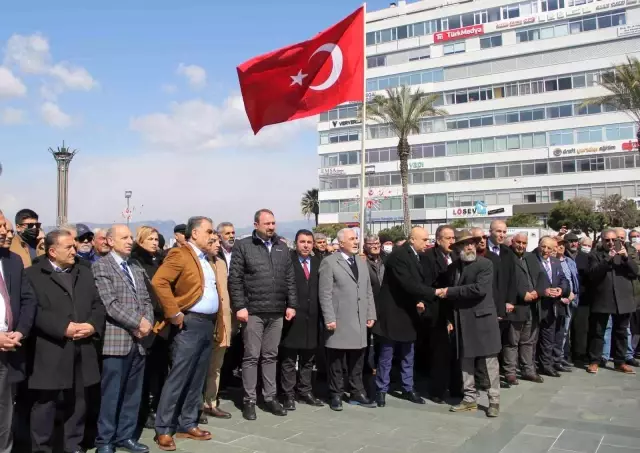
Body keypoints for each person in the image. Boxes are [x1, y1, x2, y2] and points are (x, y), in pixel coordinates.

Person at [26, 229, 105, 453]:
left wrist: (91, 325)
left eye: (74, 246)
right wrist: (63, 328)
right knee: (45, 406)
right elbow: (33, 311)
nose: (74, 250)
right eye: (68, 247)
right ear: (52, 251)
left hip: (82, 348)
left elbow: (98, 305)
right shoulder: (32, 275)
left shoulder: (85, 272)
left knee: (79, 403)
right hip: (50, 350)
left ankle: (74, 446)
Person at [152, 217, 220, 450]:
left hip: (206, 324)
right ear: (194, 234)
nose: (212, 235)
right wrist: (174, 314)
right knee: (178, 377)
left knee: (196, 378)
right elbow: (159, 281)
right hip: (188, 324)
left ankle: (187, 423)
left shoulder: (206, 259)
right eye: (209, 231)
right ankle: (163, 429)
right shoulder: (179, 254)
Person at [228, 209, 297, 421]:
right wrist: (240, 306)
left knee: (270, 356)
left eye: (273, 223)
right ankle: (249, 400)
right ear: (256, 224)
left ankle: (270, 397)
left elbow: (289, 279)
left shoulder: (281, 247)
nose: (271, 227)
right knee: (251, 356)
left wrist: (291, 304)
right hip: (253, 311)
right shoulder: (244, 245)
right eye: (267, 223)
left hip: (276, 312)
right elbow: (235, 279)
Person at [93, 225, 154, 453]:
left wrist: (146, 323)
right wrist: (138, 323)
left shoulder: (135, 267)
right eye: (124, 237)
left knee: (132, 393)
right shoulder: (101, 267)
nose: (130, 241)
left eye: (131, 237)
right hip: (116, 342)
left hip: (139, 342)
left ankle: (125, 436)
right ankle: (105, 441)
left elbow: (146, 300)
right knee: (111, 395)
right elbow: (110, 305)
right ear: (109, 241)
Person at [438, 229, 501, 418]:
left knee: (489, 363)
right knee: (466, 362)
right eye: (465, 244)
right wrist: (449, 317)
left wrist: (449, 291)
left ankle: (494, 400)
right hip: (462, 321)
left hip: (483, 320)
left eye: (472, 243)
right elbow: (451, 299)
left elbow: (479, 289)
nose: (470, 246)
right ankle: (469, 399)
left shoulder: (485, 264)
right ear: (457, 248)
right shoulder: (453, 268)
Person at [319, 228, 376, 411]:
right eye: (351, 238)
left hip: (359, 319)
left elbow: (367, 290)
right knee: (336, 359)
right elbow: (325, 293)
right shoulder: (330, 262)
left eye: (356, 238)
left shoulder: (360, 262)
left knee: (358, 358)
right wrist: (329, 317)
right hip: (339, 319)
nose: (355, 241)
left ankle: (356, 392)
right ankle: (336, 393)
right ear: (341, 243)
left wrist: (371, 313)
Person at [374, 227, 431, 407]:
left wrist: (421, 299)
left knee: (408, 353)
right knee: (387, 354)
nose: (427, 243)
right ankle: (381, 390)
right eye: (424, 239)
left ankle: (408, 387)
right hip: (393, 312)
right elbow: (408, 283)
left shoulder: (416, 255)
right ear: (412, 239)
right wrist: (433, 293)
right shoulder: (399, 256)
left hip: (408, 312)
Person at [0, 210, 37, 453]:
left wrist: (20, 332)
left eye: (5, 226)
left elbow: (28, 300)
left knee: (4, 413)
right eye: (0, 226)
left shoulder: (13, 260)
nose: (5, 232)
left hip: (9, 349)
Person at [280, 230, 323, 410]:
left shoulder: (318, 262)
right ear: (295, 243)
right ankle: (288, 394)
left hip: (312, 317)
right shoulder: (287, 261)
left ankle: (305, 390)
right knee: (289, 359)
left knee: (308, 358)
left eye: (309, 242)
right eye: (302, 242)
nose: (306, 245)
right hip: (293, 317)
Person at [587, 228, 639, 374]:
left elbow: (635, 272)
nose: (611, 243)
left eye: (613, 240)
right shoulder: (595, 255)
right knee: (598, 332)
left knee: (621, 332)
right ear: (602, 241)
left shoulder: (625, 254)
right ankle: (594, 361)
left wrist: (626, 258)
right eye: (607, 240)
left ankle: (620, 362)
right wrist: (607, 259)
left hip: (623, 299)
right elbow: (593, 274)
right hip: (603, 299)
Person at [130, 226, 166, 430]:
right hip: (147, 323)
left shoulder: (160, 260)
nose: (155, 242)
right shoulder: (136, 262)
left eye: (156, 238)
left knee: (159, 369)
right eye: (150, 239)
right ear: (141, 241)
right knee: (145, 371)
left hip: (164, 324)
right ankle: (144, 410)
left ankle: (157, 406)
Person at [505, 232, 544, 384]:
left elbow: (542, 277)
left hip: (532, 306)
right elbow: (508, 281)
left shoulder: (531, 257)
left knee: (528, 341)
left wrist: (537, 292)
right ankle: (510, 372)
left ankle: (528, 370)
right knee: (512, 342)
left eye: (524, 243)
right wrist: (523, 294)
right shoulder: (507, 258)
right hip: (517, 305)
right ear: (513, 242)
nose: (521, 245)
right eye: (518, 242)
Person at [203, 230, 234, 420]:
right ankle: (195, 405)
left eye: (217, 241)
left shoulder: (221, 263)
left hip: (221, 320)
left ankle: (210, 402)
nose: (217, 245)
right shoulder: (198, 262)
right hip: (203, 322)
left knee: (216, 366)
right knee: (200, 366)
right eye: (212, 241)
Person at [535, 236, 570, 378]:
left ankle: (546, 365)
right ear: (539, 245)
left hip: (552, 306)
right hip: (536, 305)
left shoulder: (555, 261)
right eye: (543, 247)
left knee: (548, 339)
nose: (546, 250)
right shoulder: (532, 260)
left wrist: (561, 290)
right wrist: (543, 291)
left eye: (550, 248)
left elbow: (563, 280)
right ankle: (533, 365)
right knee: (532, 340)